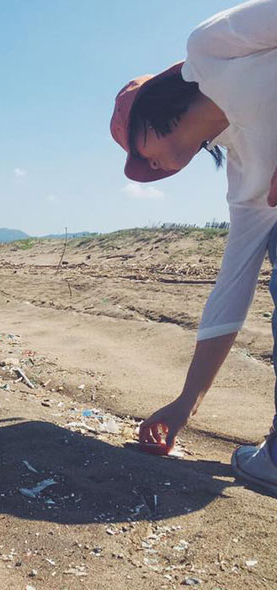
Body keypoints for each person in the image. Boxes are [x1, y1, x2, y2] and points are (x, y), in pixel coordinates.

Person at [110, 0, 277, 493]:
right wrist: (186, 402)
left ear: (147, 114)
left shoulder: (211, 49)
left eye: (139, 155)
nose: (151, 170)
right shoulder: (245, 173)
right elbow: (231, 287)